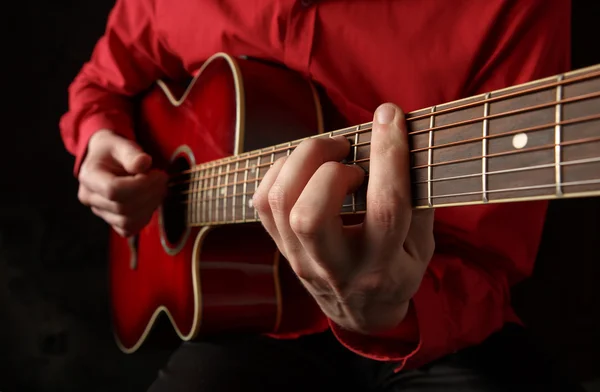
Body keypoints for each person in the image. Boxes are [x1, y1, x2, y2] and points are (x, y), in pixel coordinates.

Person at [59, 0, 581, 391]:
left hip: (425, 325)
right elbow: (101, 84)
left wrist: (382, 313)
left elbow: (485, 267)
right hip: (247, 322)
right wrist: (97, 141)